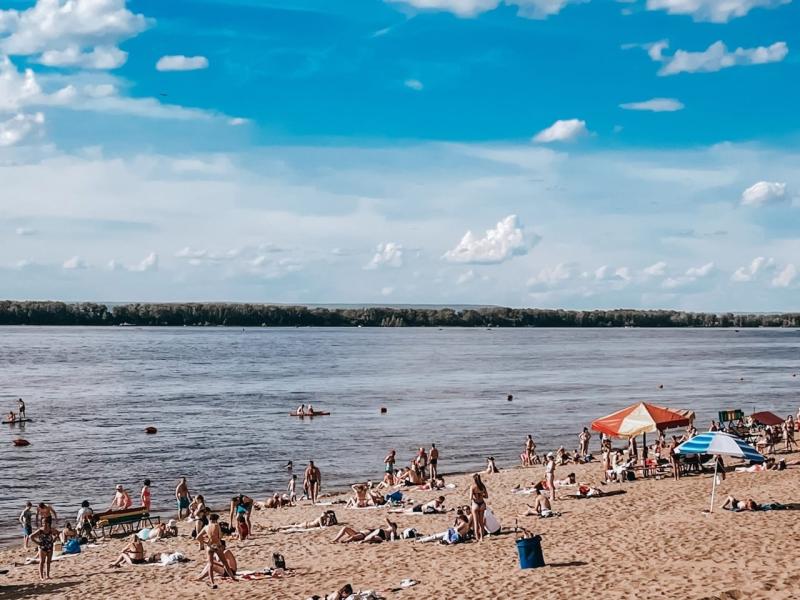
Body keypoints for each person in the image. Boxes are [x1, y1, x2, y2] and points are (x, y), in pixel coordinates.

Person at [196, 514, 237, 587]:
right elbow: (220, 536)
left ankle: (212, 582)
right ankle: (233, 578)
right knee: (225, 563)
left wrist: (205, 542)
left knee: (210, 564)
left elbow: (198, 537)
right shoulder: (217, 526)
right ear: (215, 520)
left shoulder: (206, 527)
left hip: (209, 546)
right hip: (217, 545)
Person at [470, 473, 488, 542]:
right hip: (482, 503)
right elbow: (486, 496)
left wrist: (475, 496)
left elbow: (470, 497)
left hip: (475, 504)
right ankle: (482, 538)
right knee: (481, 522)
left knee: (475, 522)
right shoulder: (483, 486)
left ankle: (477, 537)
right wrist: (481, 495)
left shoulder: (472, 486)